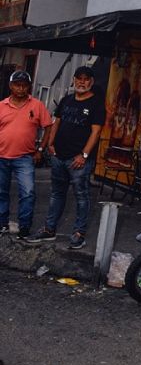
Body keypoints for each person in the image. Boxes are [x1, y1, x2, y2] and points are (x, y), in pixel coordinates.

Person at [25, 66, 104, 249]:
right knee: (56, 194)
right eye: (79, 78)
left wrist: (84, 155)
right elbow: (56, 122)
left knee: (82, 196)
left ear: (91, 82)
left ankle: (79, 233)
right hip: (59, 157)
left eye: (86, 79)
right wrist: (50, 144)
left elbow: (96, 132)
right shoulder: (66, 100)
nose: (82, 82)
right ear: (74, 80)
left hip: (78, 160)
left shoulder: (96, 104)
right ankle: (49, 229)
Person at [0, 70, 53, 240]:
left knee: (28, 192)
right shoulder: (1, 106)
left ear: (29, 87)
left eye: (24, 85)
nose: (21, 88)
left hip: (25, 158)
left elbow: (48, 127)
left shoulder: (37, 105)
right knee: (1, 192)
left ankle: (24, 227)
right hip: (1, 157)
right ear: (11, 86)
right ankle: (2, 224)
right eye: (17, 85)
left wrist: (40, 150)